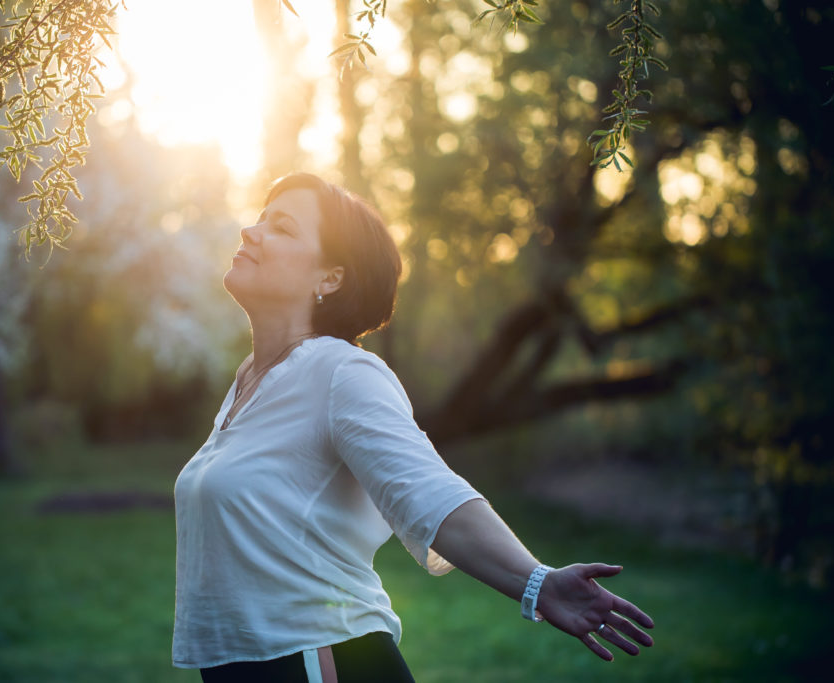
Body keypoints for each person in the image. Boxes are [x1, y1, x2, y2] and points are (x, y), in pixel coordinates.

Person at [172, 173, 655, 682]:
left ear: (330, 277)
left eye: (283, 228)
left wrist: (537, 582)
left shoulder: (341, 373)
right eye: (260, 218)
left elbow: (428, 493)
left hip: (319, 663)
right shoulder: (249, 381)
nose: (251, 232)